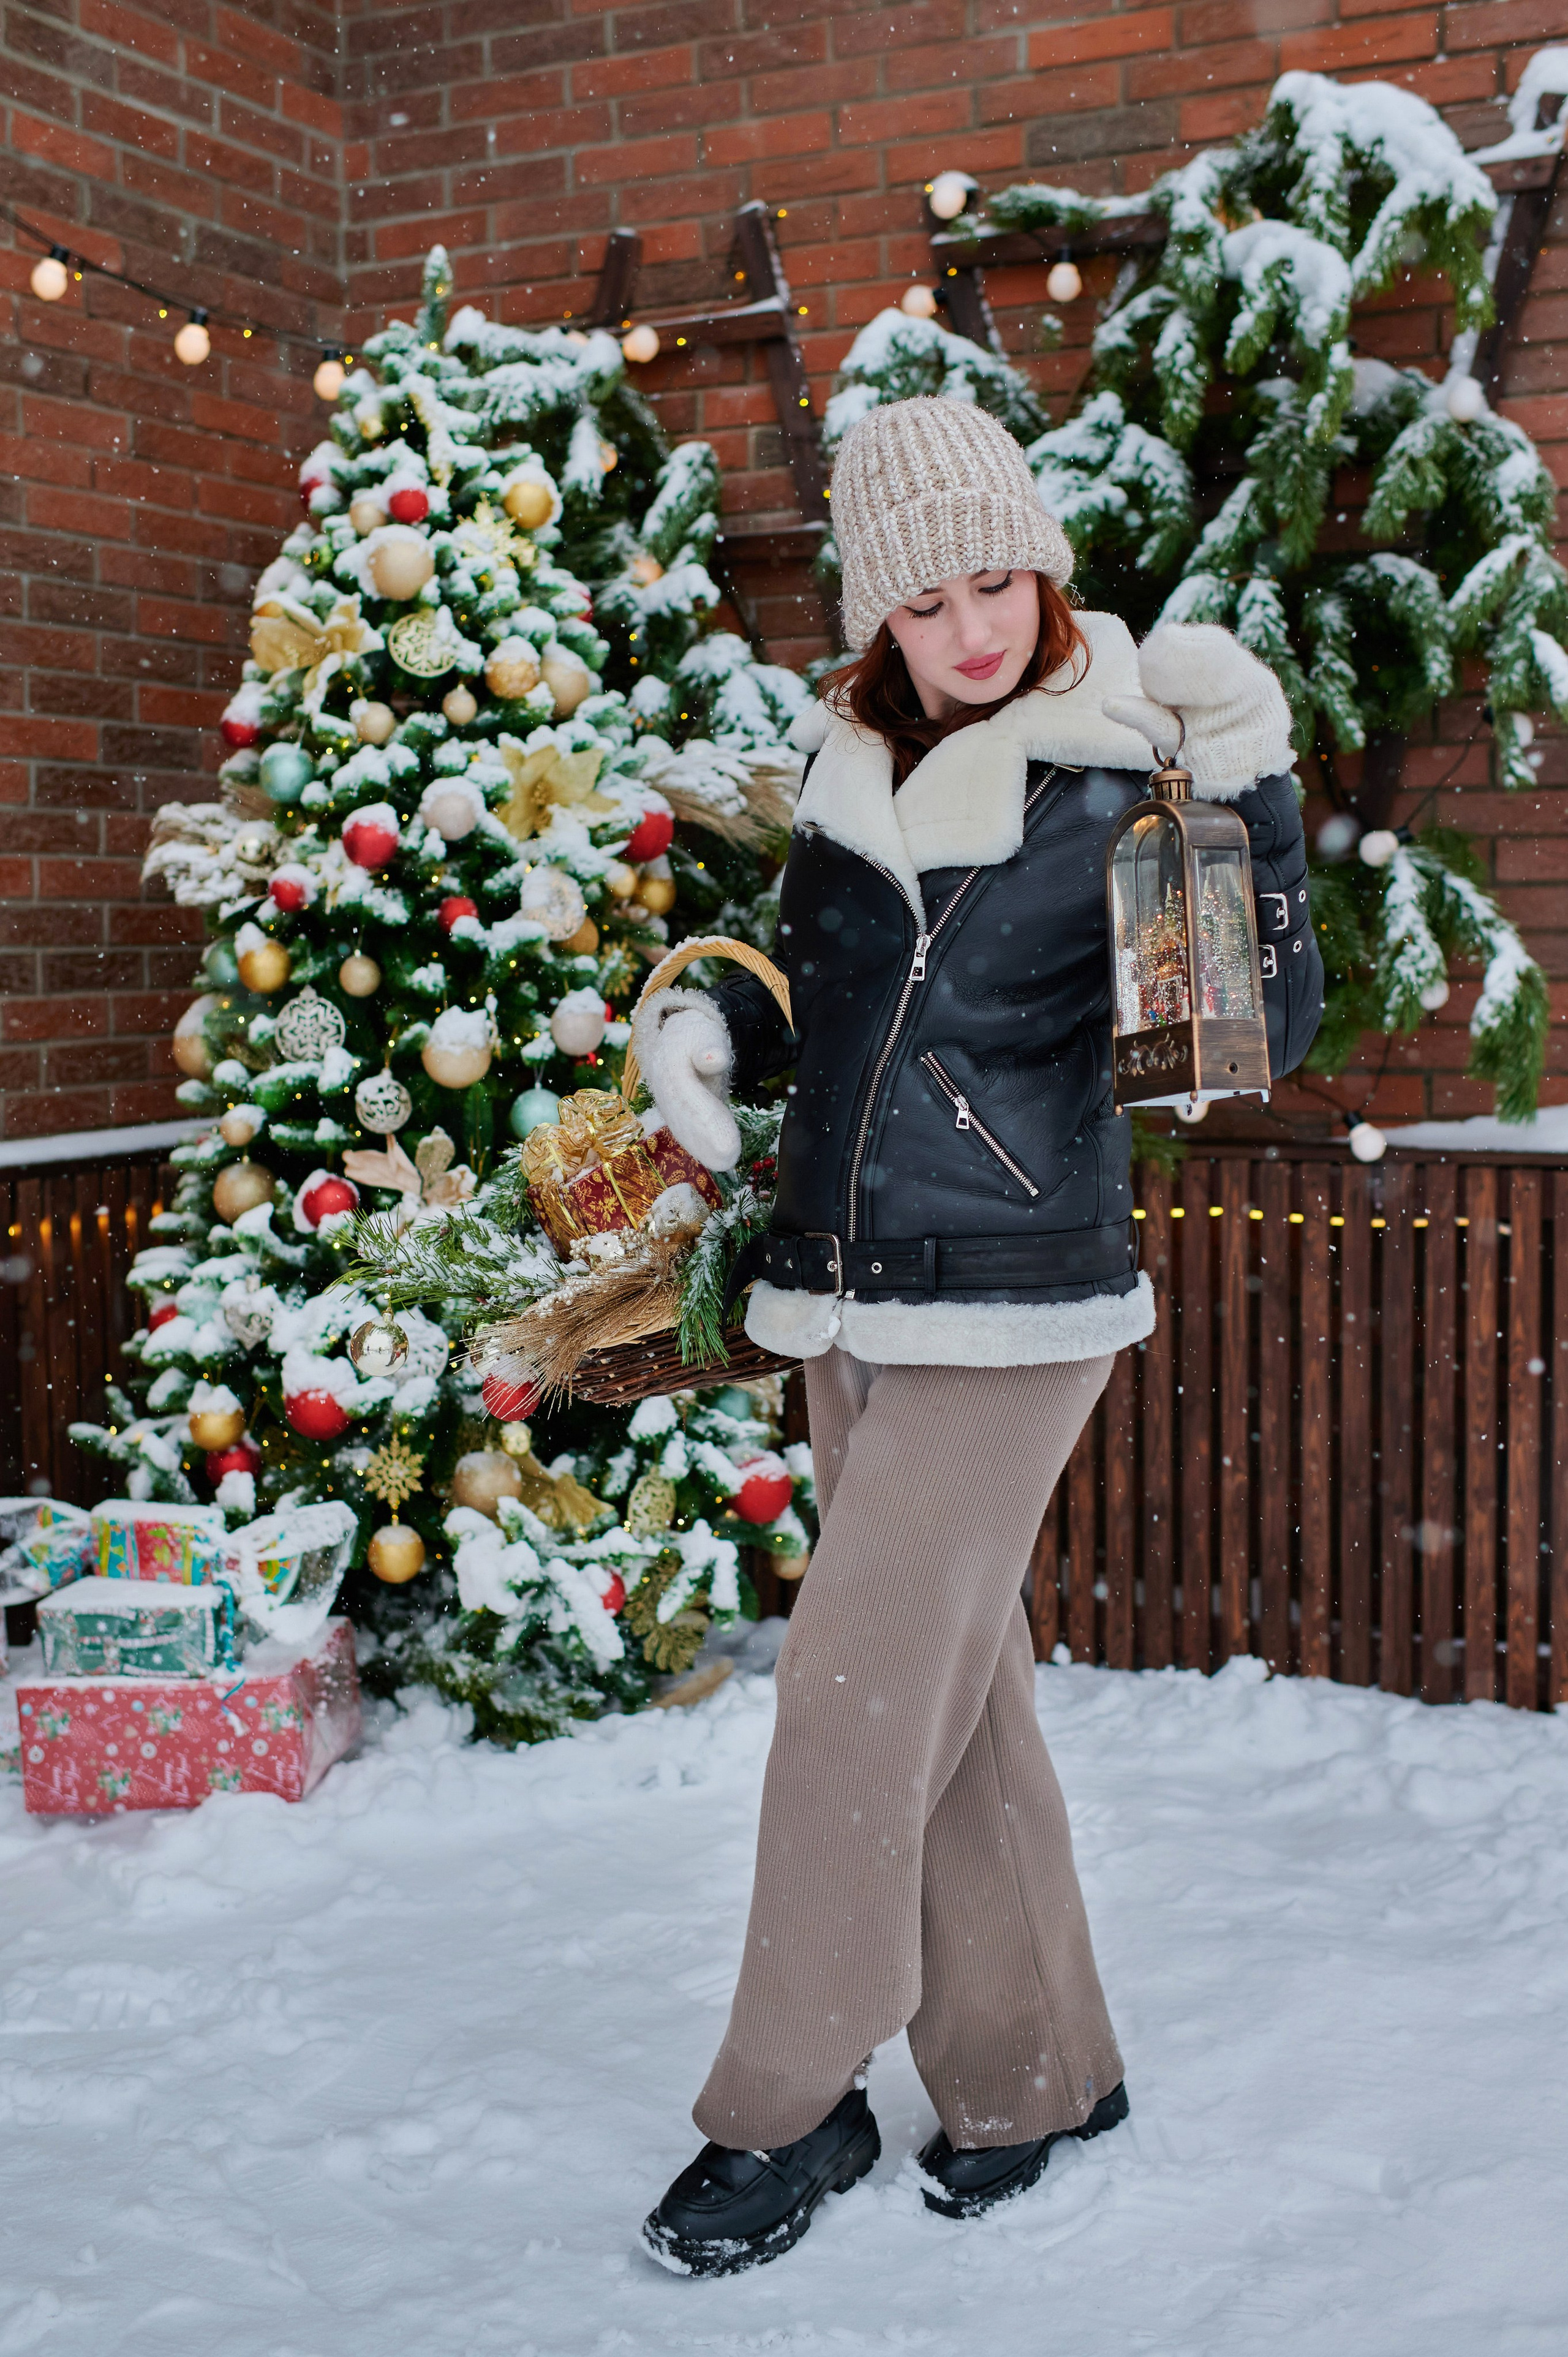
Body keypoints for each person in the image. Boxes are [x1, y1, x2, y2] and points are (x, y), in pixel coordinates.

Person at [633, 396, 1323, 2277]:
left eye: (997, 583)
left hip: (1016, 1304)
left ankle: (788, 2099)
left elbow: (1236, 1039)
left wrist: (1250, 790)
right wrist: (714, 1032)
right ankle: (1036, 2076)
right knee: (957, 1708)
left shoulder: (1116, 773)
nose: (973, 629)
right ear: (881, 616)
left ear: (1044, 572)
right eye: (927, 601)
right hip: (847, 1296)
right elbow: (840, 1006)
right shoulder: (851, 770)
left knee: (850, 1700)